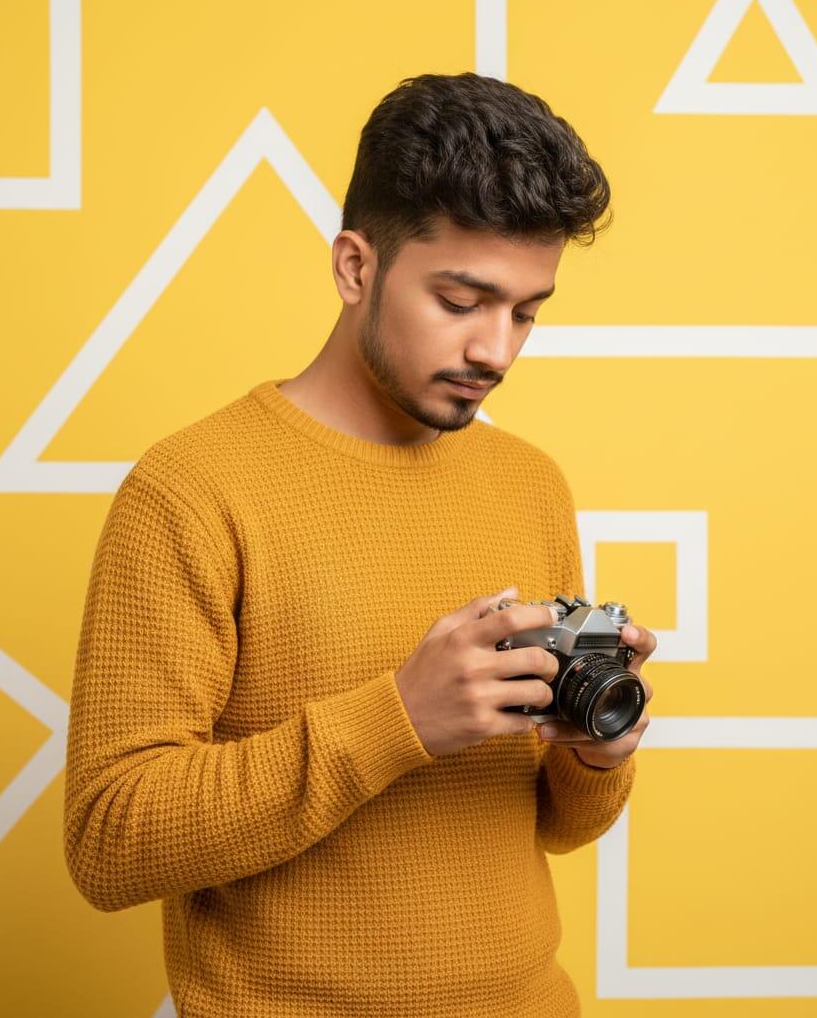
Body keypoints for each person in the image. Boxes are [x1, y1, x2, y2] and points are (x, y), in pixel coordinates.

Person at [63, 71, 655, 1018]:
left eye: (526, 311)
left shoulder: (530, 482)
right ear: (354, 268)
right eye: (460, 301)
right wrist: (397, 719)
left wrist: (596, 751)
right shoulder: (192, 490)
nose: (496, 351)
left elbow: (554, 825)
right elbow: (110, 841)